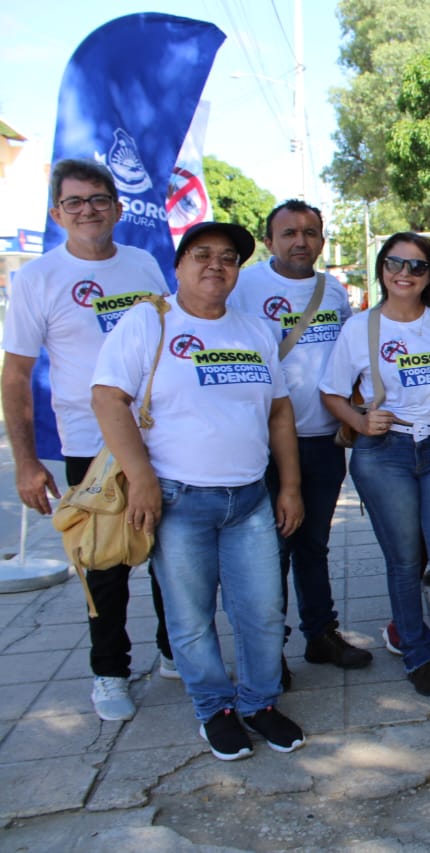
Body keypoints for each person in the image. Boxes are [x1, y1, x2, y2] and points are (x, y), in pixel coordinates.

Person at [92, 221, 306, 760]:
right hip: (177, 500)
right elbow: (107, 399)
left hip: (250, 499)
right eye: (202, 254)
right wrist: (141, 477)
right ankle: (215, 709)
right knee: (190, 618)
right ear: (180, 265)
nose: (216, 264)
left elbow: (279, 411)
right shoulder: (150, 320)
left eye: (228, 257)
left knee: (261, 612)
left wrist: (290, 486)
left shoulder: (254, 329)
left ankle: (258, 702)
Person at [2, 158, 171, 722]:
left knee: (173, 555)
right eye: (74, 202)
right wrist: (27, 463)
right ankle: (110, 672)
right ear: (57, 213)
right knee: (104, 563)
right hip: (89, 444)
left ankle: (177, 653)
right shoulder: (37, 278)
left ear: (118, 208)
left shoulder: (144, 263)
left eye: (98, 199)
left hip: (161, 435)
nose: (87, 211)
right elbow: (15, 376)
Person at [321, 233, 430, 697]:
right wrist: (359, 419)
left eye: (416, 266)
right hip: (385, 453)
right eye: (395, 263)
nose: (404, 274)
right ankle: (417, 653)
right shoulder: (361, 327)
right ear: (381, 269)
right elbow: (331, 391)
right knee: (405, 560)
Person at [229, 200, 371, 678]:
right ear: (269, 241)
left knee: (313, 543)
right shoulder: (244, 286)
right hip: (266, 444)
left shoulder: (333, 292)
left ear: (322, 241)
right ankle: (270, 649)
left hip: (323, 440)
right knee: (271, 551)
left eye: (310, 233)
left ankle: (320, 635)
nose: (300, 241)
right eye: (288, 233)